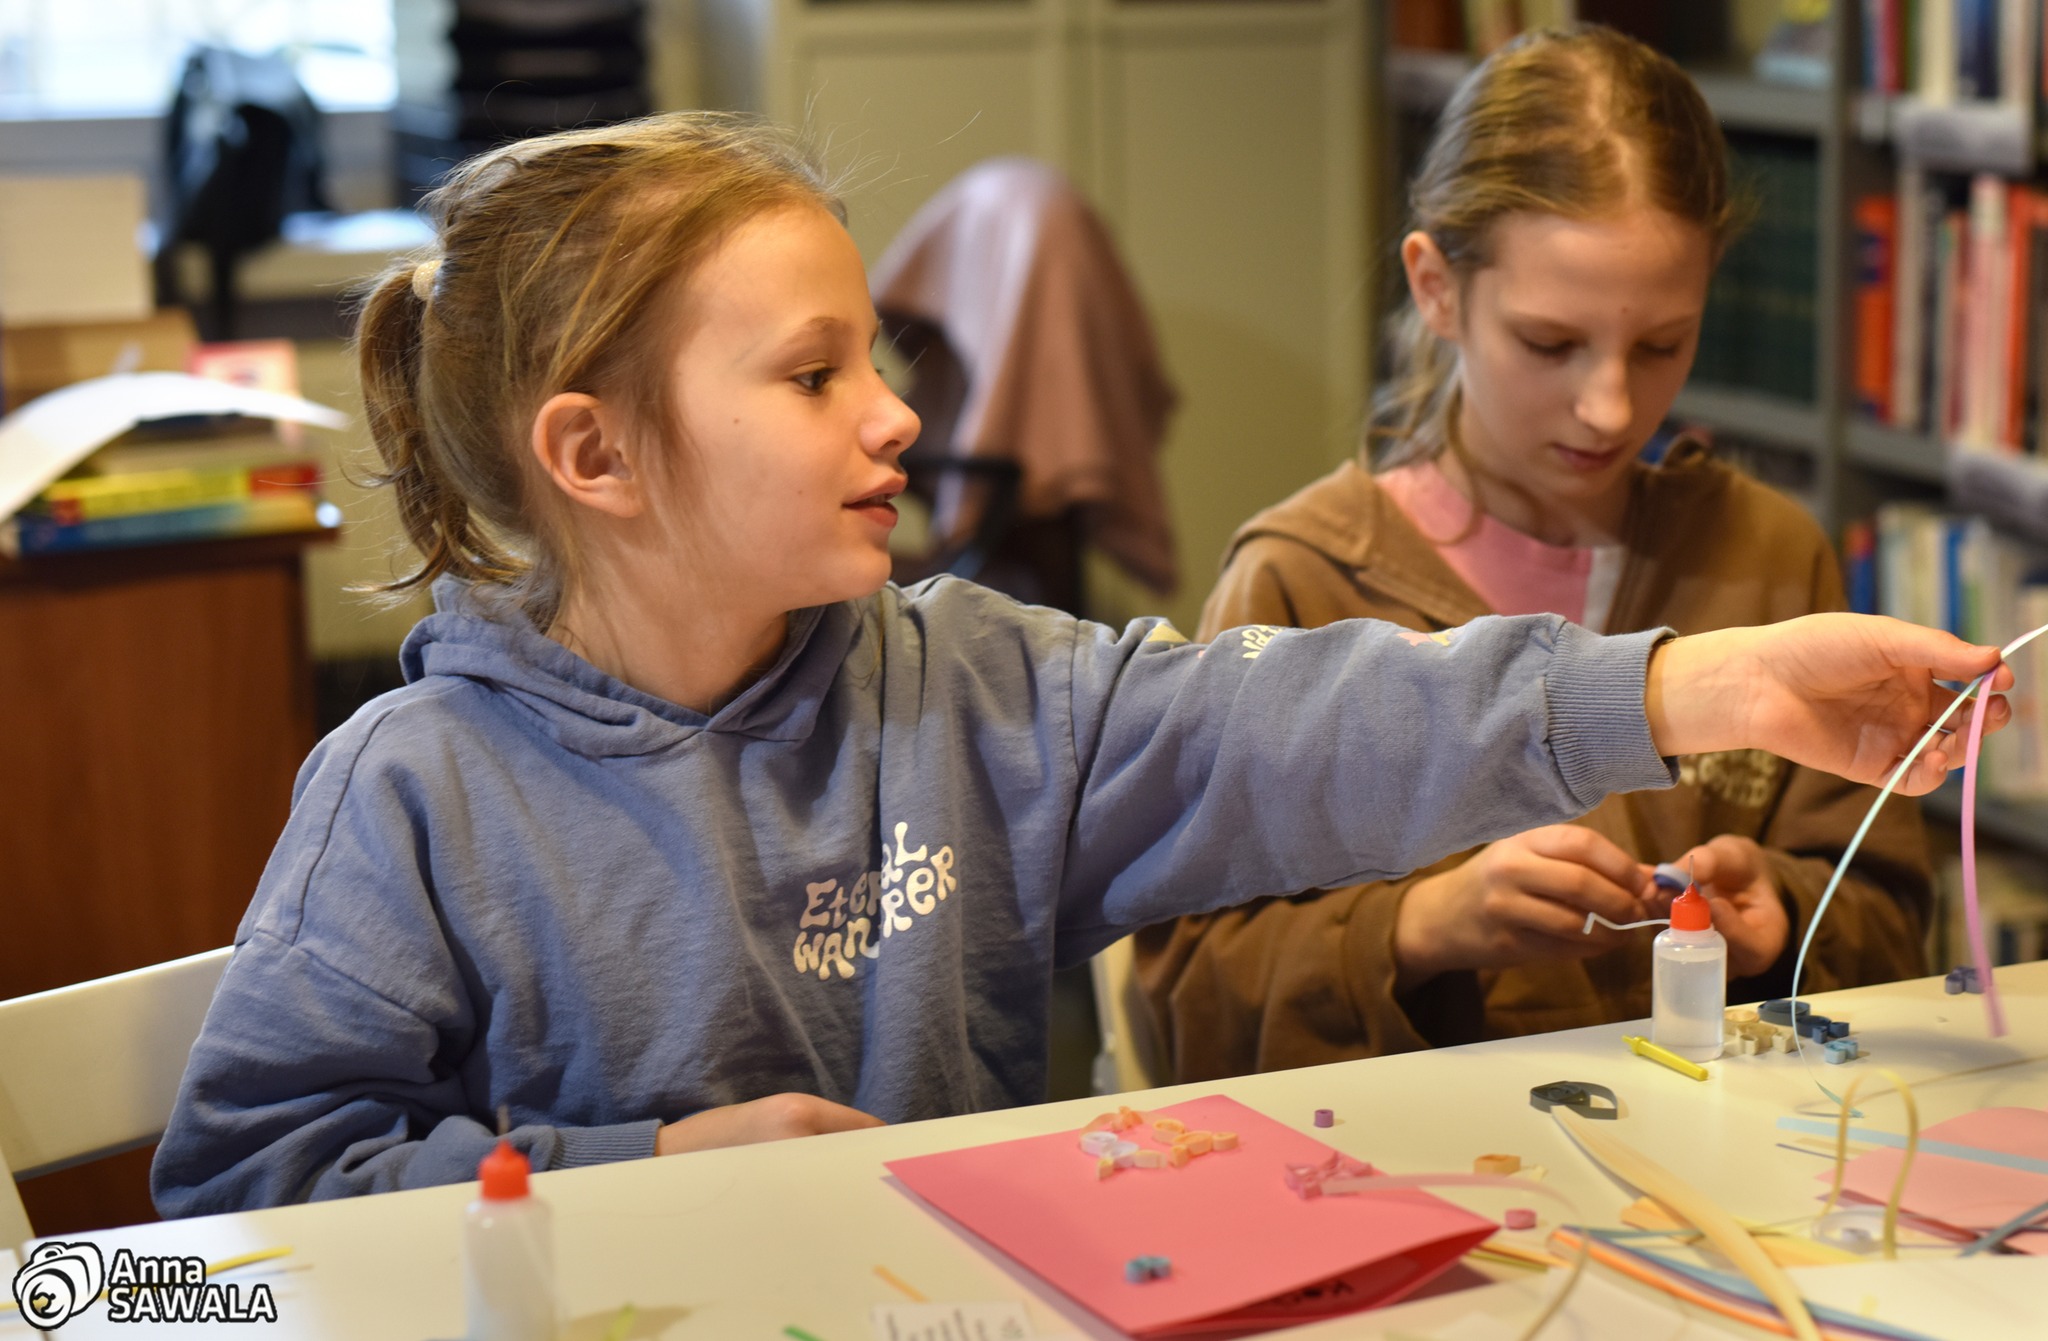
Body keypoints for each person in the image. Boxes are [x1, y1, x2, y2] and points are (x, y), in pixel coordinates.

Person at [152, 110, 2006, 1216]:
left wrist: (1697, 685)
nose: (896, 413)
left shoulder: (971, 686)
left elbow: (1306, 719)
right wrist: (636, 1174)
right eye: (812, 375)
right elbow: (219, 1221)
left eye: (874, 356)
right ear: (597, 455)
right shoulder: (415, 791)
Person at [1136, 25, 1941, 1082]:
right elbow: (1189, 995)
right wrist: (1419, 927)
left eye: (1661, 345)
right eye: (1549, 344)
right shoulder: (1303, 581)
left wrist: (1784, 910)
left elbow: (1891, 921)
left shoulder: (1765, 558)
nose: (1609, 406)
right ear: (1435, 287)